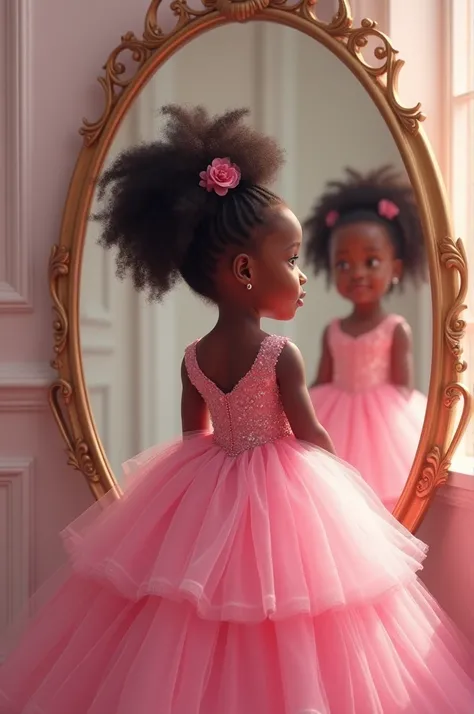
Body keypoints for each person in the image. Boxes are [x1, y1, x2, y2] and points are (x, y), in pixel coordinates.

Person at [0, 107, 471, 714]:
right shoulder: (281, 354)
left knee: (196, 618)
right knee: (290, 612)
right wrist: (341, 493)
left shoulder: (194, 356)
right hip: (284, 494)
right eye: (293, 258)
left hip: (204, 489)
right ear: (246, 270)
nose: (303, 277)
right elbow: (312, 435)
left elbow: (193, 434)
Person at [305, 167, 428, 511]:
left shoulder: (395, 328)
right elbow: (321, 379)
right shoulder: (333, 329)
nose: (357, 272)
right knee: (334, 500)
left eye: (371, 261)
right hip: (334, 416)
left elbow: (403, 388)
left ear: (396, 269)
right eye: (343, 264)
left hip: (385, 426)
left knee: (380, 499)